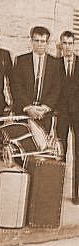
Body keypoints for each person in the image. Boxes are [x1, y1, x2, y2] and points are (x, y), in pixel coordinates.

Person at [11, 26, 61, 132]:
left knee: (42, 147)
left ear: (47, 43)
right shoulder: (21, 60)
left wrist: (45, 108)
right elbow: (16, 86)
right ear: (31, 41)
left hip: (45, 114)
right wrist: (28, 107)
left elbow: (56, 88)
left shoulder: (55, 63)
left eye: (43, 41)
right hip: (24, 113)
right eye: (36, 40)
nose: (39, 44)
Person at [56, 31, 79, 204]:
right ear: (61, 45)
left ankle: (76, 194)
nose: (68, 47)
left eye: (70, 43)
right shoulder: (55, 64)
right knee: (60, 152)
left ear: (74, 44)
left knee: (78, 153)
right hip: (62, 114)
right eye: (64, 43)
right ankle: (56, 192)